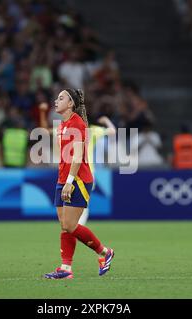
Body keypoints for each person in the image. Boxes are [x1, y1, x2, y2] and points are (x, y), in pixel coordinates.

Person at [42, 88, 114, 279]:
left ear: (71, 103)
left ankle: (105, 253)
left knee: (70, 225)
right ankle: (66, 269)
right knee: (65, 225)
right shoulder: (62, 126)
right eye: (56, 97)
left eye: (61, 98)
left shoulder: (78, 124)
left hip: (78, 180)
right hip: (62, 178)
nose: (56, 101)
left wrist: (69, 182)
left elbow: (77, 157)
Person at [38, 104, 116, 226]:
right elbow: (112, 131)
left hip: (77, 173)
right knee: (79, 205)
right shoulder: (92, 131)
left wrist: (42, 112)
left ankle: (76, 231)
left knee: (76, 206)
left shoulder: (68, 129)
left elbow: (43, 131)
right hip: (83, 173)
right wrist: (106, 120)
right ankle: (76, 230)